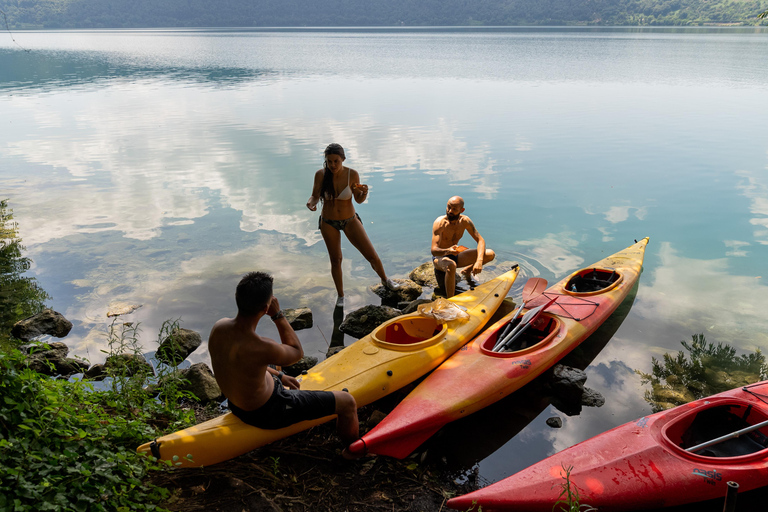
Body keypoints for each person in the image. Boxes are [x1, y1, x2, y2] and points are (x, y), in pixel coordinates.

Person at [208, 271, 359, 454]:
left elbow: (244, 367)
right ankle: (352, 453)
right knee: (347, 402)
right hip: (269, 411)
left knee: (274, 364)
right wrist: (278, 315)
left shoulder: (219, 328)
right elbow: (297, 352)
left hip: (237, 404)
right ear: (266, 308)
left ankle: (280, 380)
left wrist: (280, 375)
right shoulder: (262, 347)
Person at [307, 143, 399, 307]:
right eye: (329, 162)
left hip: (350, 220)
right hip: (328, 222)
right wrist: (311, 203)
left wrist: (364, 193)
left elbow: (358, 200)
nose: (333, 165)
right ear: (326, 161)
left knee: (371, 255)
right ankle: (341, 296)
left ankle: (385, 280)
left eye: (336, 161)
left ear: (343, 159)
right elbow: (314, 195)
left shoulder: (352, 174)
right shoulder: (320, 175)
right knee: (336, 260)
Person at [431, 196, 496, 298]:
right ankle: (451, 300)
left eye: (454, 209)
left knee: (490, 254)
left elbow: (480, 240)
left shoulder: (465, 221)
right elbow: (434, 250)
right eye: (448, 207)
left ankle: (467, 271)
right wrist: (448, 251)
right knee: (451, 265)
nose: (450, 211)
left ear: (462, 210)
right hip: (440, 258)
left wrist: (479, 261)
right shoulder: (440, 223)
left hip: (456, 255)